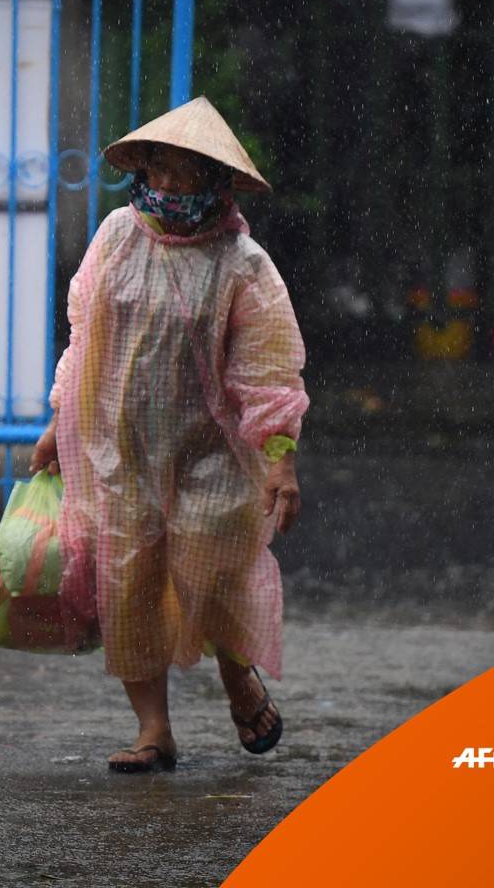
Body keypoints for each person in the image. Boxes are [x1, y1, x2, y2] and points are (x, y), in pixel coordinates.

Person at [30, 97, 308, 773]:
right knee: (125, 586)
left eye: (190, 170)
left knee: (206, 575)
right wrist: (57, 417)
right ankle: (152, 729)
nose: (173, 183)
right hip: (117, 447)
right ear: (144, 167)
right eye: (163, 166)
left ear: (218, 180)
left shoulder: (242, 264)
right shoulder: (116, 237)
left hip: (212, 452)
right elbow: (84, 337)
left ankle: (237, 675)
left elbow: (267, 365)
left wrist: (279, 456)